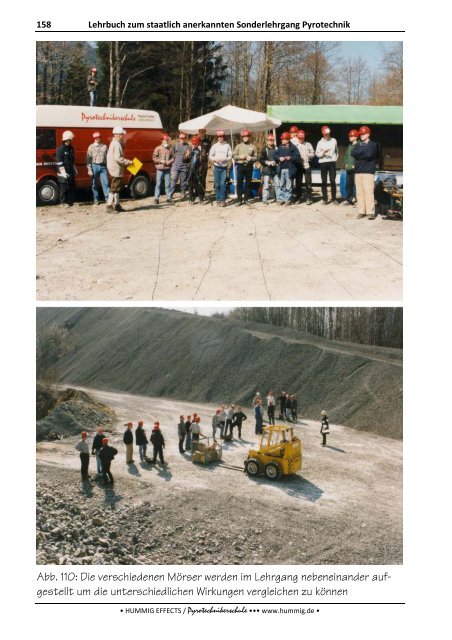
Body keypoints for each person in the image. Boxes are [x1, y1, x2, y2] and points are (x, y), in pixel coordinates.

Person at [352, 126, 379, 220]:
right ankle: (361, 211)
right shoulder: (357, 144)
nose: (362, 136)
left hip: (368, 171)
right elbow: (353, 153)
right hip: (358, 171)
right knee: (359, 192)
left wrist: (360, 154)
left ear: (368, 134)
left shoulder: (373, 144)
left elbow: (369, 154)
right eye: (361, 134)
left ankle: (370, 212)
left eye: (363, 134)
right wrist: (363, 152)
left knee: (368, 191)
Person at [106, 127, 132, 213]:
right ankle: (109, 206)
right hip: (116, 169)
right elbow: (118, 158)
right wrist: (129, 162)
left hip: (115, 168)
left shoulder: (115, 143)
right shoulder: (116, 144)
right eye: (121, 134)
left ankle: (117, 205)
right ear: (117, 134)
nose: (123, 135)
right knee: (114, 188)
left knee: (117, 187)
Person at [232, 129, 257, 206]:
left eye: (247, 136)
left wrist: (251, 158)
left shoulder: (253, 146)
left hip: (249, 166)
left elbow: (256, 157)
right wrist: (240, 157)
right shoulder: (238, 146)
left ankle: (246, 199)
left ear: (249, 137)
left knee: (248, 184)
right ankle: (239, 200)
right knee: (239, 183)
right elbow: (233, 156)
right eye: (244, 136)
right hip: (240, 166)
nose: (245, 137)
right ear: (242, 137)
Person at [315, 125, 339, 205]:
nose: (327, 135)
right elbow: (317, 154)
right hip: (323, 162)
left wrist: (336, 158)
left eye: (328, 134)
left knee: (333, 180)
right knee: (324, 181)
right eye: (325, 134)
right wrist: (323, 153)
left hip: (332, 162)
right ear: (322, 133)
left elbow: (337, 150)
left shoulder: (333, 140)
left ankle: (334, 198)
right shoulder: (320, 142)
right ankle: (325, 199)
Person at [274, 132, 300, 205]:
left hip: (290, 169)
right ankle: (281, 199)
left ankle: (288, 200)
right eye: (282, 139)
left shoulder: (293, 147)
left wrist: (291, 157)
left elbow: (298, 157)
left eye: (283, 139)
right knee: (281, 185)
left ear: (288, 139)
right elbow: (275, 155)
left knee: (289, 185)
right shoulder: (280, 147)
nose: (282, 140)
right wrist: (279, 158)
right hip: (281, 169)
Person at [208, 130, 232, 207]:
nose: (219, 138)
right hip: (216, 167)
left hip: (224, 168)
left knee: (223, 184)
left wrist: (225, 159)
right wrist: (215, 159)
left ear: (223, 137)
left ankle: (223, 200)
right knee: (217, 184)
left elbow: (230, 156)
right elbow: (210, 156)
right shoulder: (214, 146)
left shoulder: (227, 146)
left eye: (221, 136)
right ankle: (218, 200)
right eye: (218, 136)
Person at [86, 132, 110, 205]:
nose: (97, 139)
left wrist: (109, 166)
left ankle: (108, 198)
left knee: (105, 182)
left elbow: (108, 157)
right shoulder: (90, 147)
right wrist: (89, 169)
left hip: (103, 166)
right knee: (94, 183)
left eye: (98, 137)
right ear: (94, 138)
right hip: (94, 166)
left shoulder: (105, 146)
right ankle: (95, 199)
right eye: (96, 137)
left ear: (100, 137)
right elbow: (88, 159)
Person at [56, 130, 77, 207]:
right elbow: (59, 162)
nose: (71, 140)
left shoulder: (71, 148)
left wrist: (75, 169)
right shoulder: (60, 149)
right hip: (62, 172)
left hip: (70, 170)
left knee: (71, 187)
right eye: (71, 139)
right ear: (68, 139)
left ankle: (70, 202)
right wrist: (63, 173)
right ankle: (63, 203)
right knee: (63, 188)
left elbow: (72, 161)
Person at [152, 133, 174, 204]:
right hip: (160, 169)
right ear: (162, 140)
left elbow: (173, 158)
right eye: (165, 140)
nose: (166, 142)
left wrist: (169, 162)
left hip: (167, 169)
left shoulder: (170, 149)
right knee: (158, 184)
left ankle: (169, 198)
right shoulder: (157, 148)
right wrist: (160, 161)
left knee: (167, 184)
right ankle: (156, 198)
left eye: (167, 140)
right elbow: (154, 158)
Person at [259, 134, 279, 204]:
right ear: (267, 141)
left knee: (277, 185)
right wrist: (267, 162)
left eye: (272, 140)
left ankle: (278, 199)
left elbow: (278, 158)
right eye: (269, 140)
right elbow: (261, 159)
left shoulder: (276, 148)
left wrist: (275, 162)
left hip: (275, 169)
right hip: (267, 169)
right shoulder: (264, 149)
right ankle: (265, 200)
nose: (271, 141)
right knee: (266, 185)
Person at [295, 130, 315, 204]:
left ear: (304, 137)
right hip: (298, 166)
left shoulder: (308, 144)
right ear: (297, 137)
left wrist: (309, 155)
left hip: (307, 165)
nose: (301, 139)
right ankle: (298, 198)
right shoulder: (295, 145)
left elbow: (313, 153)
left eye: (302, 138)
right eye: (299, 138)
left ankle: (309, 198)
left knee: (308, 182)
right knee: (298, 183)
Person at [170, 132, 191, 199]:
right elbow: (171, 154)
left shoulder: (188, 146)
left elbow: (190, 158)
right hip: (175, 166)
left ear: (185, 138)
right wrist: (172, 161)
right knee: (174, 179)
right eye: (181, 138)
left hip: (184, 166)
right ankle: (170, 194)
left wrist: (188, 156)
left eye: (184, 138)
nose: (182, 139)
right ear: (179, 138)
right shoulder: (175, 145)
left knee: (183, 180)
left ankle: (182, 193)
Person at [343, 129, 359, 206]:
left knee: (357, 185)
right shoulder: (350, 146)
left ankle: (357, 200)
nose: (349, 137)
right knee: (348, 185)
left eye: (351, 136)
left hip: (356, 169)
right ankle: (349, 200)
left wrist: (355, 165)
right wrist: (346, 163)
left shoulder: (359, 145)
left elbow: (359, 157)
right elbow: (346, 156)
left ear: (355, 137)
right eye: (349, 136)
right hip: (348, 169)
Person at [187, 135, 204, 204]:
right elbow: (184, 160)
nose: (194, 145)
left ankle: (201, 198)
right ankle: (191, 198)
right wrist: (187, 155)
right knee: (190, 184)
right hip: (190, 169)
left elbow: (203, 161)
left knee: (199, 184)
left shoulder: (200, 150)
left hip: (197, 169)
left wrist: (201, 153)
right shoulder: (189, 149)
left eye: (196, 144)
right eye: (193, 143)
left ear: (198, 143)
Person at [289, 125, 303, 201]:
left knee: (296, 180)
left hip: (296, 162)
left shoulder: (298, 140)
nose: (292, 133)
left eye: (293, 132)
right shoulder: (289, 140)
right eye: (291, 132)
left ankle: (296, 196)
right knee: (293, 180)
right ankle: (295, 196)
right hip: (292, 162)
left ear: (296, 132)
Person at [198, 128, 211, 198]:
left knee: (203, 179)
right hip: (196, 163)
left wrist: (208, 163)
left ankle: (202, 195)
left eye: (203, 132)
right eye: (200, 132)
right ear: (199, 133)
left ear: (205, 133)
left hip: (204, 162)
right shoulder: (196, 140)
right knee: (196, 179)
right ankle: (196, 194)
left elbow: (210, 152)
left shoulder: (208, 141)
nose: (202, 134)